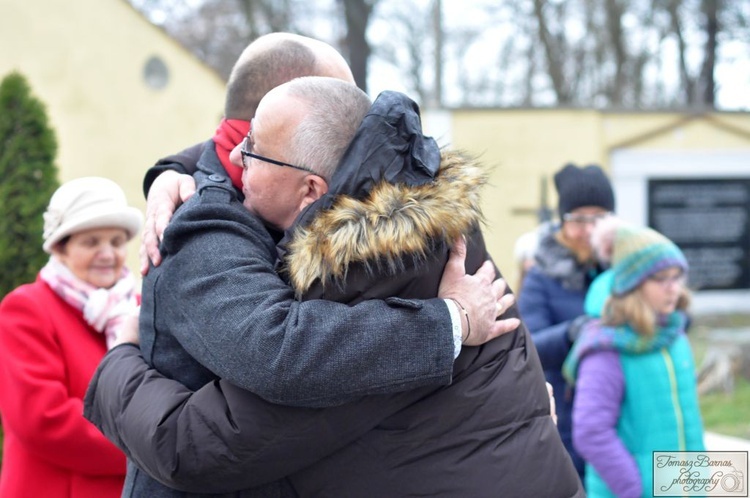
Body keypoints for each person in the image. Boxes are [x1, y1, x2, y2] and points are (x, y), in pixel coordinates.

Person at [85, 78, 584, 497]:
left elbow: (195, 446)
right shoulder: (421, 228)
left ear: (310, 191)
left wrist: (119, 357)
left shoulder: (361, 278)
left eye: (252, 150)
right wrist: (176, 171)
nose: (236, 159)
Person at [0, 177, 142, 497]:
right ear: (61, 249)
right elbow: (43, 420)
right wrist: (151, 448)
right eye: (91, 242)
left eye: (117, 242)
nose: (107, 253)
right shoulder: (27, 308)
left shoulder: (138, 309)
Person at [563, 221, 705, 497]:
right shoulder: (606, 348)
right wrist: (634, 489)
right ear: (633, 285)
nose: (673, 288)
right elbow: (591, 432)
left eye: (677, 277)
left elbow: (685, 421)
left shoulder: (675, 337)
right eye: (661, 278)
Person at [517, 162, 615, 478]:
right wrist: (572, 333)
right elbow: (528, 347)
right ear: (562, 222)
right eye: (578, 220)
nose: (588, 230)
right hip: (569, 416)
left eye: (598, 218)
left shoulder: (626, 269)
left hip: (625, 410)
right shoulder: (541, 278)